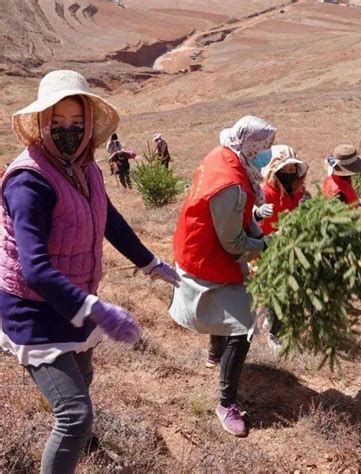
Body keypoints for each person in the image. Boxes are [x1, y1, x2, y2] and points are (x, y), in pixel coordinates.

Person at [1, 70, 180, 474]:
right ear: (42, 123)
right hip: (34, 310)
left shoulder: (85, 167)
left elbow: (108, 218)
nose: (68, 132)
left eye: (76, 124)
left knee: (83, 377)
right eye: (58, 123)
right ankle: (75, 440)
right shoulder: (28, 183)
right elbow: (35, 270)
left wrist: (150, 263)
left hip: (73, 298)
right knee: (73, 414)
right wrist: (95, 309)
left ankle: (84, 446)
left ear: (88, 128)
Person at [170, 115, 276, 438]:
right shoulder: (231, 184)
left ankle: (216, 354)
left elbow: (242, 220)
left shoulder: (224, 156)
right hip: (206, 254)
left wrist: (259, 235)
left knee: (226, 301)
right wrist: (265, 245)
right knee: (243, 324)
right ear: (249, 146)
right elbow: (234, 244)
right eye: (262, 150)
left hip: (199, 245)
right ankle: (226, 404)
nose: (265, 156)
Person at [254, 145, 309, 350]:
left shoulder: (297, 191)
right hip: (267, 249)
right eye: (284, 170)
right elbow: (252, 222)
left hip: (292, 247)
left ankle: (272, 315)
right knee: (282, 289)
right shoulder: (263, 193)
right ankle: (275, 334)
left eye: (292, 169)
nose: (288, 174)